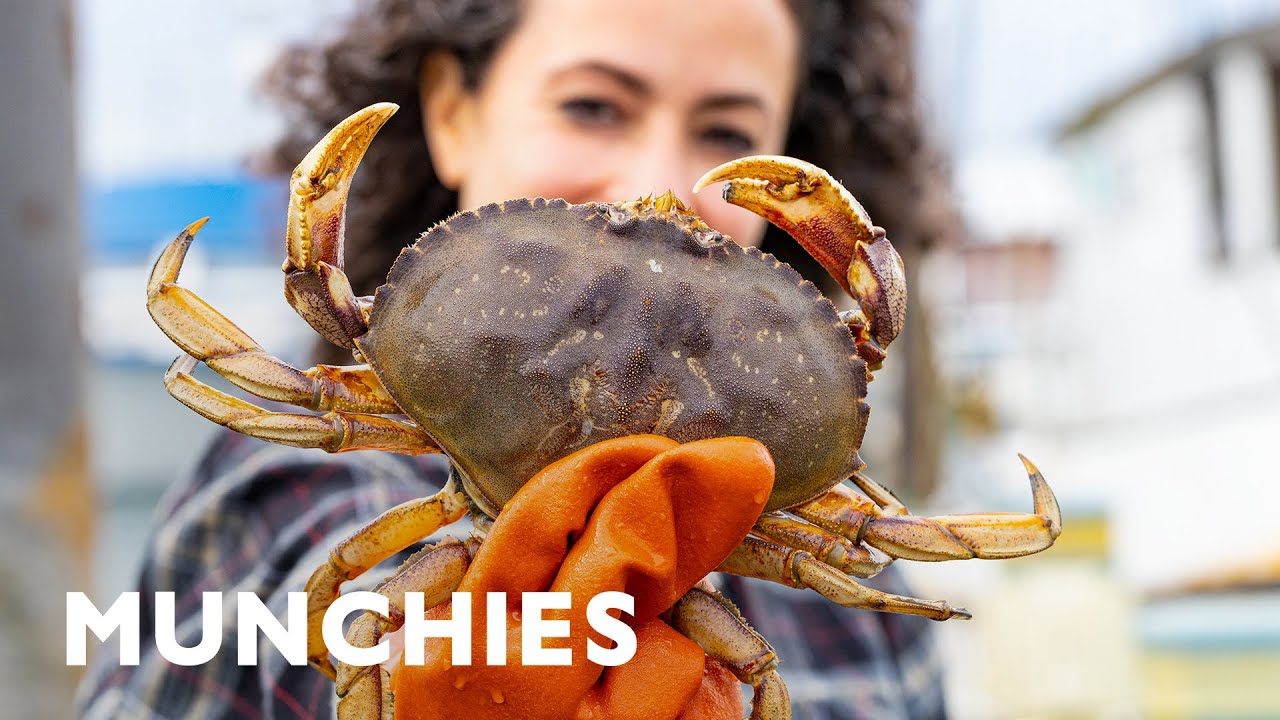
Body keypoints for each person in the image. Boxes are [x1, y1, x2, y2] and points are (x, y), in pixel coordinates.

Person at [78, 0, 954, 718]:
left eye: (726, 131)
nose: (652, 180)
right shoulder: (288, 489)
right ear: (451, 115)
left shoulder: (859, 589)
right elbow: (309, 587)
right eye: (593, 106)